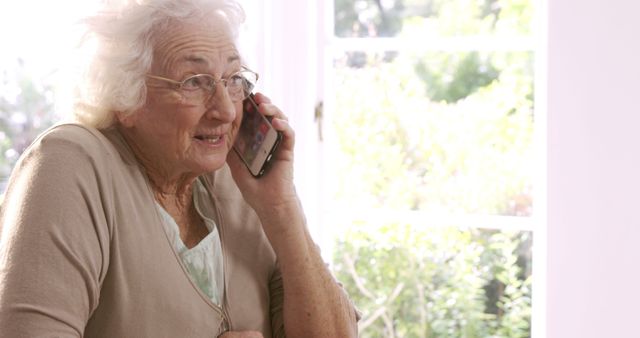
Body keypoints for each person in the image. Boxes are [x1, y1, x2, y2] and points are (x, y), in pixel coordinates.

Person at [0, 0, 359, 337]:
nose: (227, 111)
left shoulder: (238, 181)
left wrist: (281, 207)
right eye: (194, 82)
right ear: (125, 94)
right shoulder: (70, 165)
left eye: (234, 79)